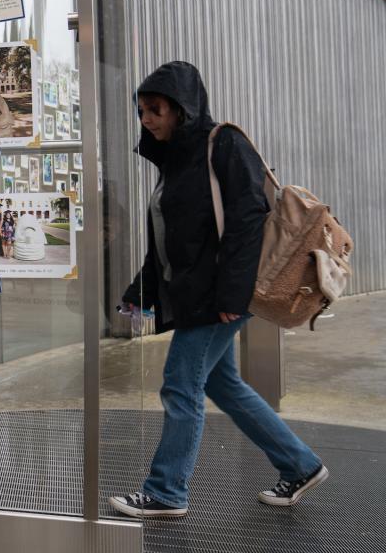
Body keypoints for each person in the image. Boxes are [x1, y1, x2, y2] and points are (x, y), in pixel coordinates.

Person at [108, 61, 327, 519]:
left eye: (155, 109)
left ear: (182, 108)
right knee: (222, 384)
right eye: (141, 111)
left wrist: (231, 297)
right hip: (198, 295)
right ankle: (300, 465)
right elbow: (170, 240)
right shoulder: (174, 160)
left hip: (218, 298)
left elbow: (247, 223)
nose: (146, 119)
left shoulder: (223, 143)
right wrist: (140, 289)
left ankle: (167, 491)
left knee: (180, 384)